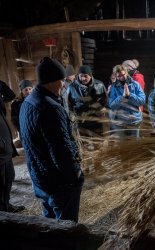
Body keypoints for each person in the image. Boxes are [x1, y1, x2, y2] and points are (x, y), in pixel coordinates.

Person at [19, 57, 84, 222]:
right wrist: (75, 174)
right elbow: (60, 150)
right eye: (61, 80)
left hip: (40, 176)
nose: (63, 84)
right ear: (50, 81)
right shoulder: (51, 108)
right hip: (58, 183)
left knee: (48, 221)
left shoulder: (28, 102)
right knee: (65, 226)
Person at [0, 80, 25, 212]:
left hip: (5, 146)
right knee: (2, 180)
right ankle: (3, 211)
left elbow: (9, 95)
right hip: (1, 149)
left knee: (9, 176)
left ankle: (6, 205)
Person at [67, 65, 107, 135]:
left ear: (90, 75)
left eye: (86, 76)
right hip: (80, 122)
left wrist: (101, 108)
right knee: (82, 143)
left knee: (97, 143)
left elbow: (105, 101)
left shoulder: (99, 85)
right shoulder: (71, 87)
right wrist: (72, 115)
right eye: (81, 76)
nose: (83, 78)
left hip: (96, 121)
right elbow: (67, 104)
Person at [108, 64, 145, 138]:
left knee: (135, 143)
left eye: (123, 75)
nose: (121, 78)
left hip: (134, 119)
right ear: (116, 76)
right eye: (119, 76)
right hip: (120, 121)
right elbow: (111, 105)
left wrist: (130, 95)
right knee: (122, 144)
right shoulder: (114, 88)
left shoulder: (135, 85)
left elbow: (142, 101)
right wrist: (122, 97)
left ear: (126, 72)